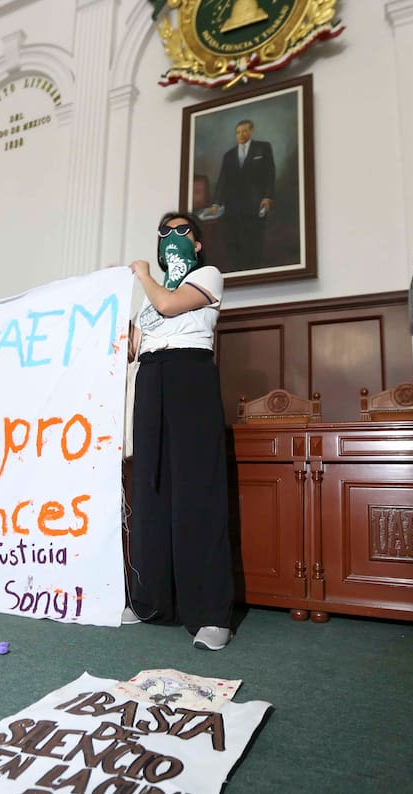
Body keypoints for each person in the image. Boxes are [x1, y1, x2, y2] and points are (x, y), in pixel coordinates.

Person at [125, 211, 234, 650]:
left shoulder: (208, 275)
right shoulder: (149, 299)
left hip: (190, 375)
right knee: (151, 488)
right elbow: (131, 348)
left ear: (199, 242)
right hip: (151, 378)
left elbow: (170, 306)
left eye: (182, 230)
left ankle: (210, 613)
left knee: (196, 493)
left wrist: (143, 275)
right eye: (164, 232)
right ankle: (151, 601)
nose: (173, 236)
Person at [210, 119, 274, 269]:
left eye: (244, 131)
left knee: (255, 238)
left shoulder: (263, 148)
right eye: (238, 132)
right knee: (235, 239)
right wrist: (216, 203)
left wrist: (268, 196)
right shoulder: (229, 155)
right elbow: (222, 180)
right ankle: (238, 269)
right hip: (233, 205)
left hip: (255, 203)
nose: (241, 134)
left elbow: (270, 173)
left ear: (251, 131)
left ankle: (254, 269)